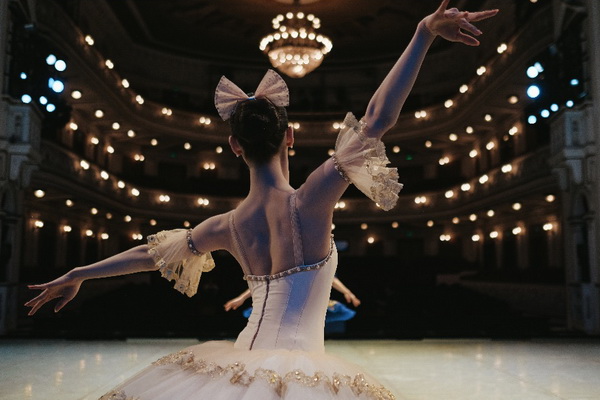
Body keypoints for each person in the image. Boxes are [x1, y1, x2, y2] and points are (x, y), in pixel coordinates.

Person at [25, 2, 497, 398]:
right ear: (290, 137)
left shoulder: (225, 225)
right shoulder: (310, 201)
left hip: (236, 365)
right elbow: (376, 119)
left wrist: (79, 272)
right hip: (301, 376)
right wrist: (422, 34)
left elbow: (149, 255)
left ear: (234, 146)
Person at [225, 276, 361, 324]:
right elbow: (267, 281)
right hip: (285, 304)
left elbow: (331, 279)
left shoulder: (314, 256)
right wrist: (242, 297)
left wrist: (348, 292)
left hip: (307, 304)